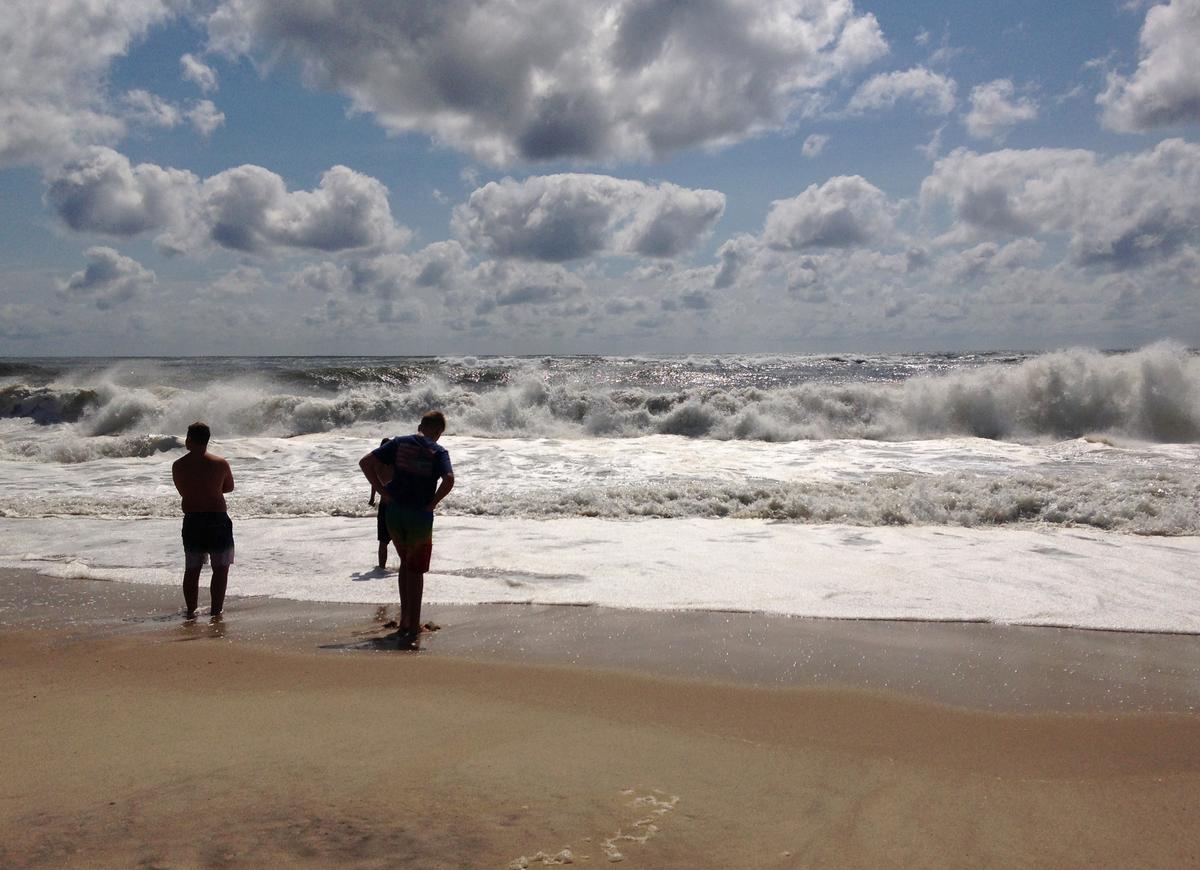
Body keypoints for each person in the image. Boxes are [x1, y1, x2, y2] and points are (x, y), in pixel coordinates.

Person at [359, 411, 454, 642]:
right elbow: (449, 479)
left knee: (405, 564)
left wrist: (383, 492)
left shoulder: (399, 443)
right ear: (439, 432)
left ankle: (404, 621)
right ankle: (414, 626)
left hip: (394, 512)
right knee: (417, 570)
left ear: (420, 425)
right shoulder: (437, 451)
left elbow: (366, 463)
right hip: (418, 515)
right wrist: (432, 503)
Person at [172, 421, 235, 620]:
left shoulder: (179, 465)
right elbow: (229, 487)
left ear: (189, 440)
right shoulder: (220, 463)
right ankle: (216, 610)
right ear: (207, 440)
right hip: (217, 519)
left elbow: (183, 491)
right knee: (220, 568)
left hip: (192, 519)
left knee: (192, 568)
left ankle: (191, 610)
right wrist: (213, 488)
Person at [368, 438, 392, 569]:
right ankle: (405, 567)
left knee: (383, 541)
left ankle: (381, 568)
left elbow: (374, 483)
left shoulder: (376, 465)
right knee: (402, 540)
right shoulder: (397, 464)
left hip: (385, 505)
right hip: (396, 505)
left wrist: (372, 498)